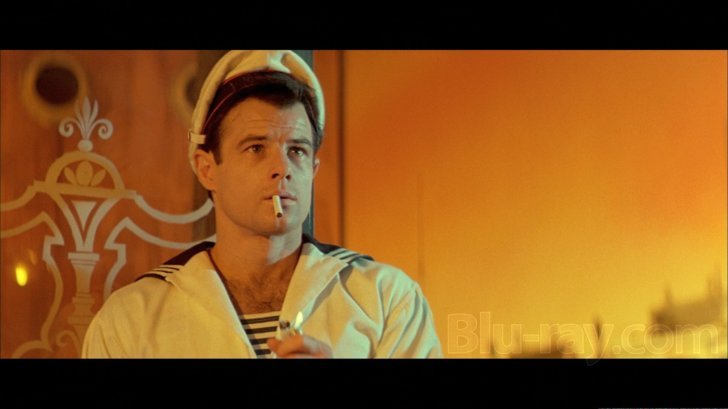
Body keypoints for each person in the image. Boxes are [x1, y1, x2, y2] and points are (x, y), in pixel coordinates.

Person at [82, 50, 442, 358]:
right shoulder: (132, 319)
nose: (282, 168)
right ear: (207, 169)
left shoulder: (387, 299)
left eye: (297, 151)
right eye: (256, 148)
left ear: (313, 170)